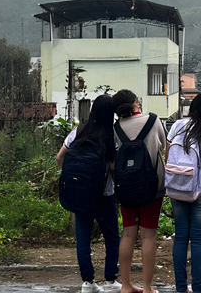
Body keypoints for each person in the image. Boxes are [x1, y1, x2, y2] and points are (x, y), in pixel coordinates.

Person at [56, 94, 121, 293]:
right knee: (111, 238)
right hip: (104, 194)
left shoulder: (79, 131)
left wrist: (78, 178)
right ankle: (110, 280)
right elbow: (112, 169)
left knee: (83, 238)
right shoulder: (111, 135)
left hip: (80, 193)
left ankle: (88, 283)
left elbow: (60, 158)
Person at [166, 90, 201, 293]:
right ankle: (197, 288)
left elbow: (168, 156)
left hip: (178, 182)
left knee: (180, 236)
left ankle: (181, 288)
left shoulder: (178, 125)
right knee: (198, 238)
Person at [112, 90, 166, 293]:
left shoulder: (116, 128)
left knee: (127, 234)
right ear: (136, 103)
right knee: (148, 236)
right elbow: (163, 146)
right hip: (153, 186)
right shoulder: (153, 120)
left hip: (126, 187)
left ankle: (126, 285)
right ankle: (147, 287)